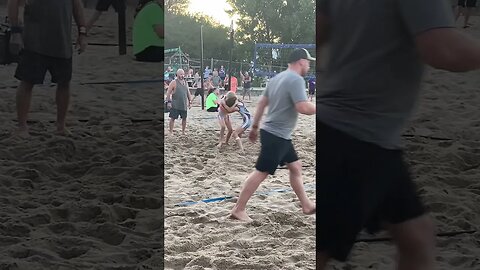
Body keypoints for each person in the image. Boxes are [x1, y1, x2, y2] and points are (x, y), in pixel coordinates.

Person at [315, 0, 480, 269]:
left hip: (363, 135)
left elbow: (319, 31)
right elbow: (442, 49)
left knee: (417, 237)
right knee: (319, 252)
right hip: (356, 138)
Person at [229, 48, 316, 222]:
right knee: (261, 172)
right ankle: (238, 209)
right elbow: (303, 107)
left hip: (276, 133)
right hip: (277, 135)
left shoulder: (277, 78)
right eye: (308, 61)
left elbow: (262, 103)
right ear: (301, 61)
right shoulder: (296, 80)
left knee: (295, 166)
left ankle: (306, 205)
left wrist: (254, 127)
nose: (309, 65)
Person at [8, 0, 88, 137]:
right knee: (27, 82)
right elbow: (14, 3)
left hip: (62, 42)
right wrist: (15, 32)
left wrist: (82, 32)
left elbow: (77, 5)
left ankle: (61, 126)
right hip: (34, 41)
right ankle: (22, 126)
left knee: (64, 83)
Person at [165, 69, 192, 135]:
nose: (182, 76)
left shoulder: (185, 83)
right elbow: (168, 92)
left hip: (183, 104)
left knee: (184, 119)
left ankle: (183, 132)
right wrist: (168, 102)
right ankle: (171, 132)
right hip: (175, 104)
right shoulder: (174, 82)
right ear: (177, 74)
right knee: (173, 118)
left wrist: (190, 102)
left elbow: (188, 92)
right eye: (180, 74)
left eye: (183, 74)